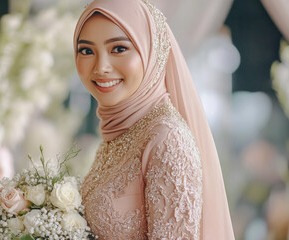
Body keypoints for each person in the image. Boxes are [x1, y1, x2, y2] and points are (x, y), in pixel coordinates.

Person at [73, 0, 234, 239]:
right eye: (86, 50)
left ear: (151, 50)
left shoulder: (166, 137)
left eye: (118, 48)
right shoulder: (121, 130)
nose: (101, 67)